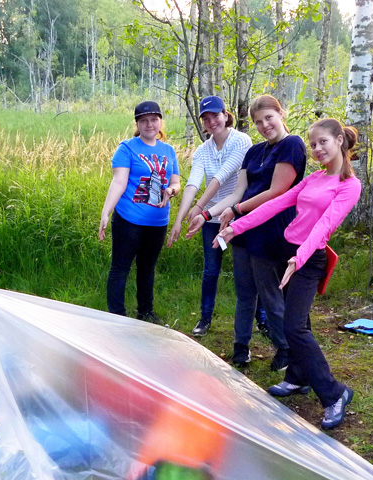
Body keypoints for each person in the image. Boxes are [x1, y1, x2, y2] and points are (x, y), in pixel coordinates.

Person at [216, 118, 361, 430]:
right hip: (287, 252)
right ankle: (297, 377)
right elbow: (276, 203)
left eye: (323, 141)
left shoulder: (349, 186)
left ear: (339, 140)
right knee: (295, 320)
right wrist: (234, 228)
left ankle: (334, 393)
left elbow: (325, 226)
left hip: (308, 260)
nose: (317, 149)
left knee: (294, 327)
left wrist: (300, 258)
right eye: (313, 144)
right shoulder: (313, 179)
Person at [187, 95, 306, 370]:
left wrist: (239, 209)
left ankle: (285, 348)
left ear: (281, 114)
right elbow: (238, 191)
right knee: (244, 293)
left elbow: (277, 191)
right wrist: (208, 214)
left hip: (272, 231)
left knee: (269, 292)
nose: (265, 125)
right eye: (258, 122)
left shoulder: (292, 145)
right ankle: (241, 346)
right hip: (242, 231)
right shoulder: (254, 151)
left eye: (269, 118)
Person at [166, 95, 252, 337]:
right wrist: (179, 221)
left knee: (247, 271)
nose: (211, 121)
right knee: (211, 269)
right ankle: (205, 319)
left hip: (238, 213)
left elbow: (222, 176)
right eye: (206, 118)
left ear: (225, 115)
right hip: (212, 218)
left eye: (215, 115)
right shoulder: (202, 151)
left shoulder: (242, 141)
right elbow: (193, 183)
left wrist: (200, 208)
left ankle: (262, 318)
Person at [98, 101, 180, 323]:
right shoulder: (127, 148)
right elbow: (118, 182)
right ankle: (117, 316)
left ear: (160, 122)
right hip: (129, 219)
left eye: (154, 119)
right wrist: (106, 212)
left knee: (147, 267)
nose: (149, 124)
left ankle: (146, 311)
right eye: (144, 120)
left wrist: (171, 190)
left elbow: (176, 182)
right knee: (120, 268)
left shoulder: (168, 150)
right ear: (137, 123)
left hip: (158, 221)